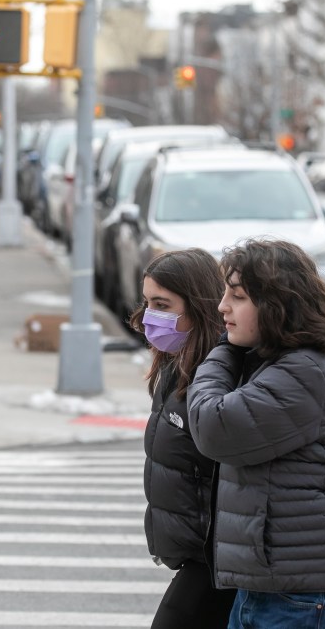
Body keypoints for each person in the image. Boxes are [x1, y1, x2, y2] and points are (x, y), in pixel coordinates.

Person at [187, 238, 325, 629]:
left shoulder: (304, 371)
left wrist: (224, 350)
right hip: (279, 586)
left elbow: (214, 426)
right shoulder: (279, 363)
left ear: (277, 305)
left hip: (306, 597)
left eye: (236, 297)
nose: (222, 307)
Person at [129, 249, 237, 628]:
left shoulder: (218, 377)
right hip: (197, 557)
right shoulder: (175, 367)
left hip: (217, 562)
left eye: (162, 304)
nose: (149, 316)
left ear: (199, 306)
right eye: (147, 303)